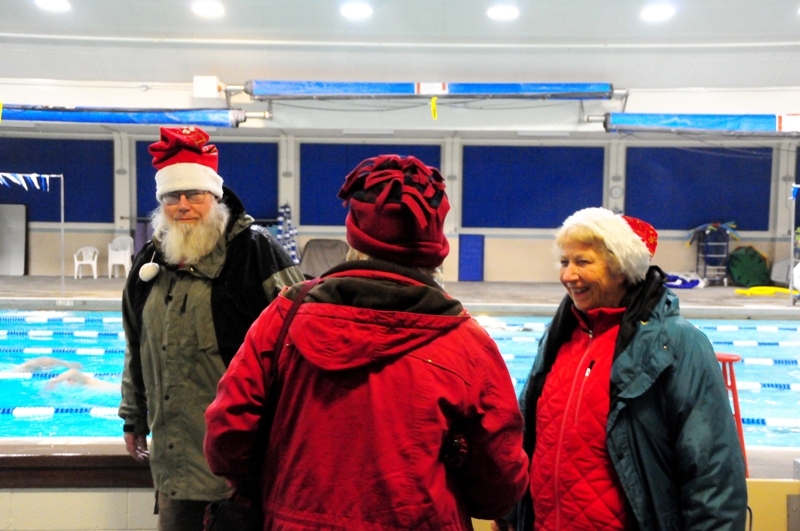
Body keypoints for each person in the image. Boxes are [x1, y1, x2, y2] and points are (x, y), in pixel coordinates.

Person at [204, 154, 530, 530]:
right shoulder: (466, 343)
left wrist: (280, 485)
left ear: (354, 236)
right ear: (435, 246)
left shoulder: (285, 317)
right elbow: (501, 484)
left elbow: (226, 437)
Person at [496, 207, 747, 531]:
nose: (568, 275)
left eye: (583, 262)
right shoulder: (559, 338)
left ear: (622, 267)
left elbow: (714, 474)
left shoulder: (677, 345)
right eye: (564, 262)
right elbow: (528, 435)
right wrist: (510, 514)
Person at [118, 126, 304, 531]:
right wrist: (133, 417)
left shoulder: (255, 251)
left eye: (194, 195)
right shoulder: (150, 261)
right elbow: (137, 343)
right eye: (171, 196)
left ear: (214, 197)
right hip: (175, 464)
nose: (183, 206)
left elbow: (300, 342)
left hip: (245, 470)